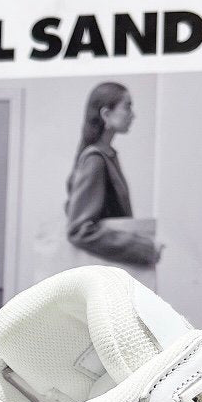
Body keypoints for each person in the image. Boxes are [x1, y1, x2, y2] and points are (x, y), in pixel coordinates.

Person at [63, 82, 160, 267]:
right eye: (127, 107)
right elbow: (79, 230)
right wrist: (144, 248)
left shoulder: (106, 156)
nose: (133, 115)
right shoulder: (95, 160)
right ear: (106, 114)